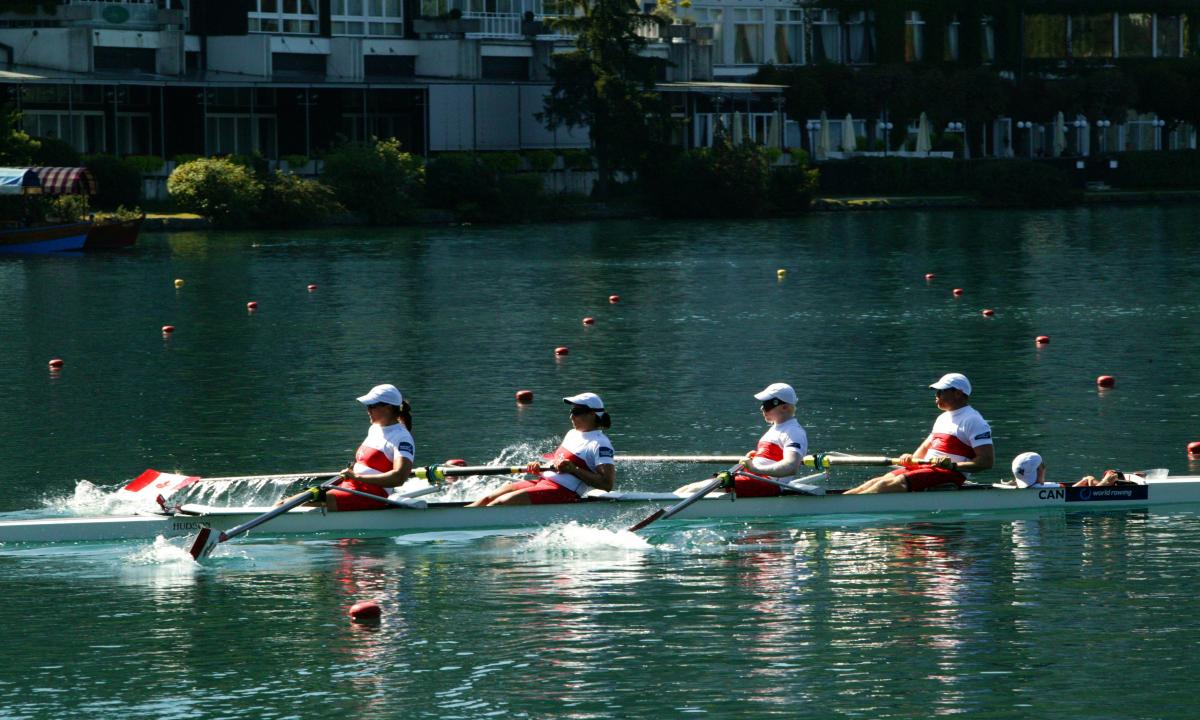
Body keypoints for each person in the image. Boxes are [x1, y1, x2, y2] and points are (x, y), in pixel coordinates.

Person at [845, 372, 994, 494]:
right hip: (926, 468)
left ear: (958, 393)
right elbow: (925, 448)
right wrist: (911, 458)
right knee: (876, 481)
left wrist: (953, 465)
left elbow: (986, 462)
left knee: (887, 483)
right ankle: (841, 501)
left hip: (949, 474)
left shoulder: (973, 421)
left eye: (941, 391)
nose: (937, 395)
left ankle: (846, 508)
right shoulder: (943, 418)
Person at [468, 392, 615, 507]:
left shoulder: (600, 444)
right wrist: (538, 467)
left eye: (576, 412)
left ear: (591, 414)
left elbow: (607, 484)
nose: (571, 416)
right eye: (571, 411)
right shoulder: (572, 434)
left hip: (563, 492)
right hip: (542, 482)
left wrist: (574, 469)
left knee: (500, 503)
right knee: (487, 498)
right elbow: (557, 463)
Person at [283, 384, 414, 511]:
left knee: (288, 506)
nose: (368, 410)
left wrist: (357, 476)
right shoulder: (375, 429)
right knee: (284, 503)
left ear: (388, 408)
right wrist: (353, 471)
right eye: (367, 406)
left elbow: (399, 478)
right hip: (351, 486)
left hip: (371, 495)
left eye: (372, 406)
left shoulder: (402, 438)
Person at [678, 383, 809, 498]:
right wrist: (757, 457)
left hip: (767, 484)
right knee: (687, 488)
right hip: (755, 478)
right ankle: (664, 506)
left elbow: (791, 466)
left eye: (767, 404)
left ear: (784, 407)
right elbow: (773, 456)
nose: (762, 408)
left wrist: (755, 467)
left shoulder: (793, 432)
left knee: (695, 490)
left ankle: (663, 511)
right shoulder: (777, 428)